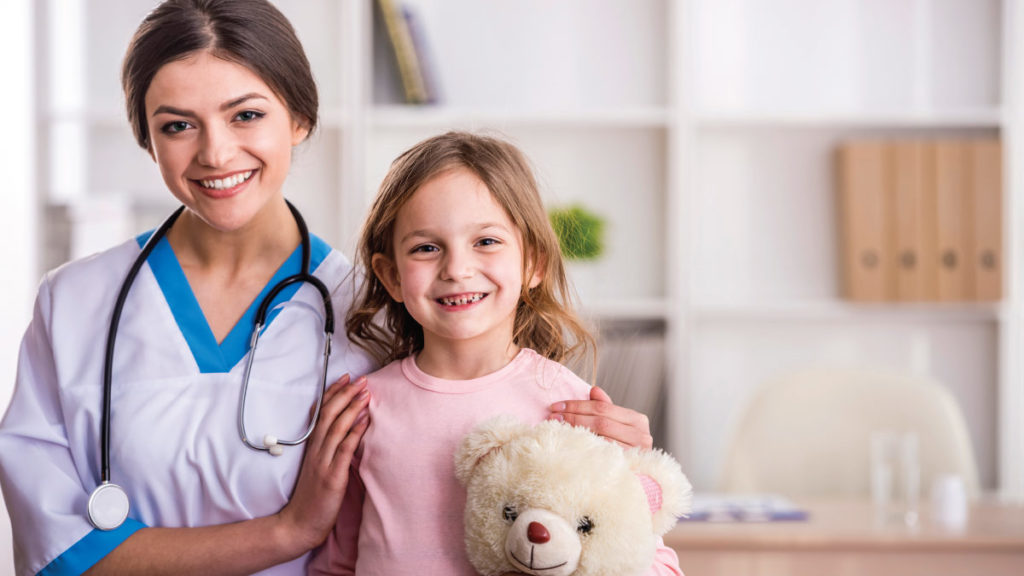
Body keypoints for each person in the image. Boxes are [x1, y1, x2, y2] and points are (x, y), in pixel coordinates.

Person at [0, 2, 654, 575]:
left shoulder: (372, 310)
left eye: (246, 114)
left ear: (300, 119)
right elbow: (57, 549)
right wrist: (287, 532)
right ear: (147, 138)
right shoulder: (75, 305)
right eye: (177, 125)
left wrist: (619, 475)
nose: (216, 154)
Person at [308, 131, 682, 575]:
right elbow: (339, 560)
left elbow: (643, 556)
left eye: (485, 241)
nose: (457, 269)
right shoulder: (363, 406)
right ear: (391, 276)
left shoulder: (570, 408)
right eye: (427, 248)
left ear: (534, 264)